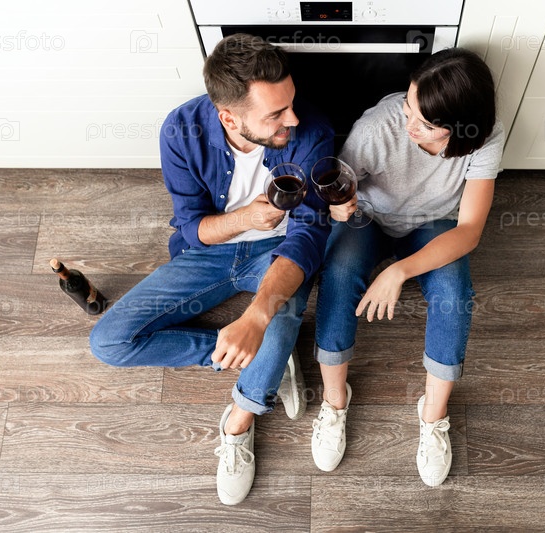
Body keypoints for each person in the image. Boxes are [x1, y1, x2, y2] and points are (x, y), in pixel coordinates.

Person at [89, 33, 334, 505]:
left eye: (291, 103)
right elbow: (191, 227)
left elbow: (308, 237)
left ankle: (239, 421)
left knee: (279, 314)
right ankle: (267, 359)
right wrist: (244, 219)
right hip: (207, 253)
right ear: (229, 117)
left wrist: (257, 316)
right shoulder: (180, 130)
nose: (293, 119)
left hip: (279, 252)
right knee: (109, 342)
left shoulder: (312, 132)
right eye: (276, 114)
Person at [310, 48, 504, 487]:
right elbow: (338, 184)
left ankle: (433, 414)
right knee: (338, 276)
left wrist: (399, 271)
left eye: (425, 123)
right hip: (370, 217)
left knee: (454, 291)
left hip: (434, 223)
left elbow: (469, 230)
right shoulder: (378, 127)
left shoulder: (486, 136)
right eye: (408, 108)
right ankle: (335, 400)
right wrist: (338, 207)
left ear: (463, 126)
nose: (409, 125)